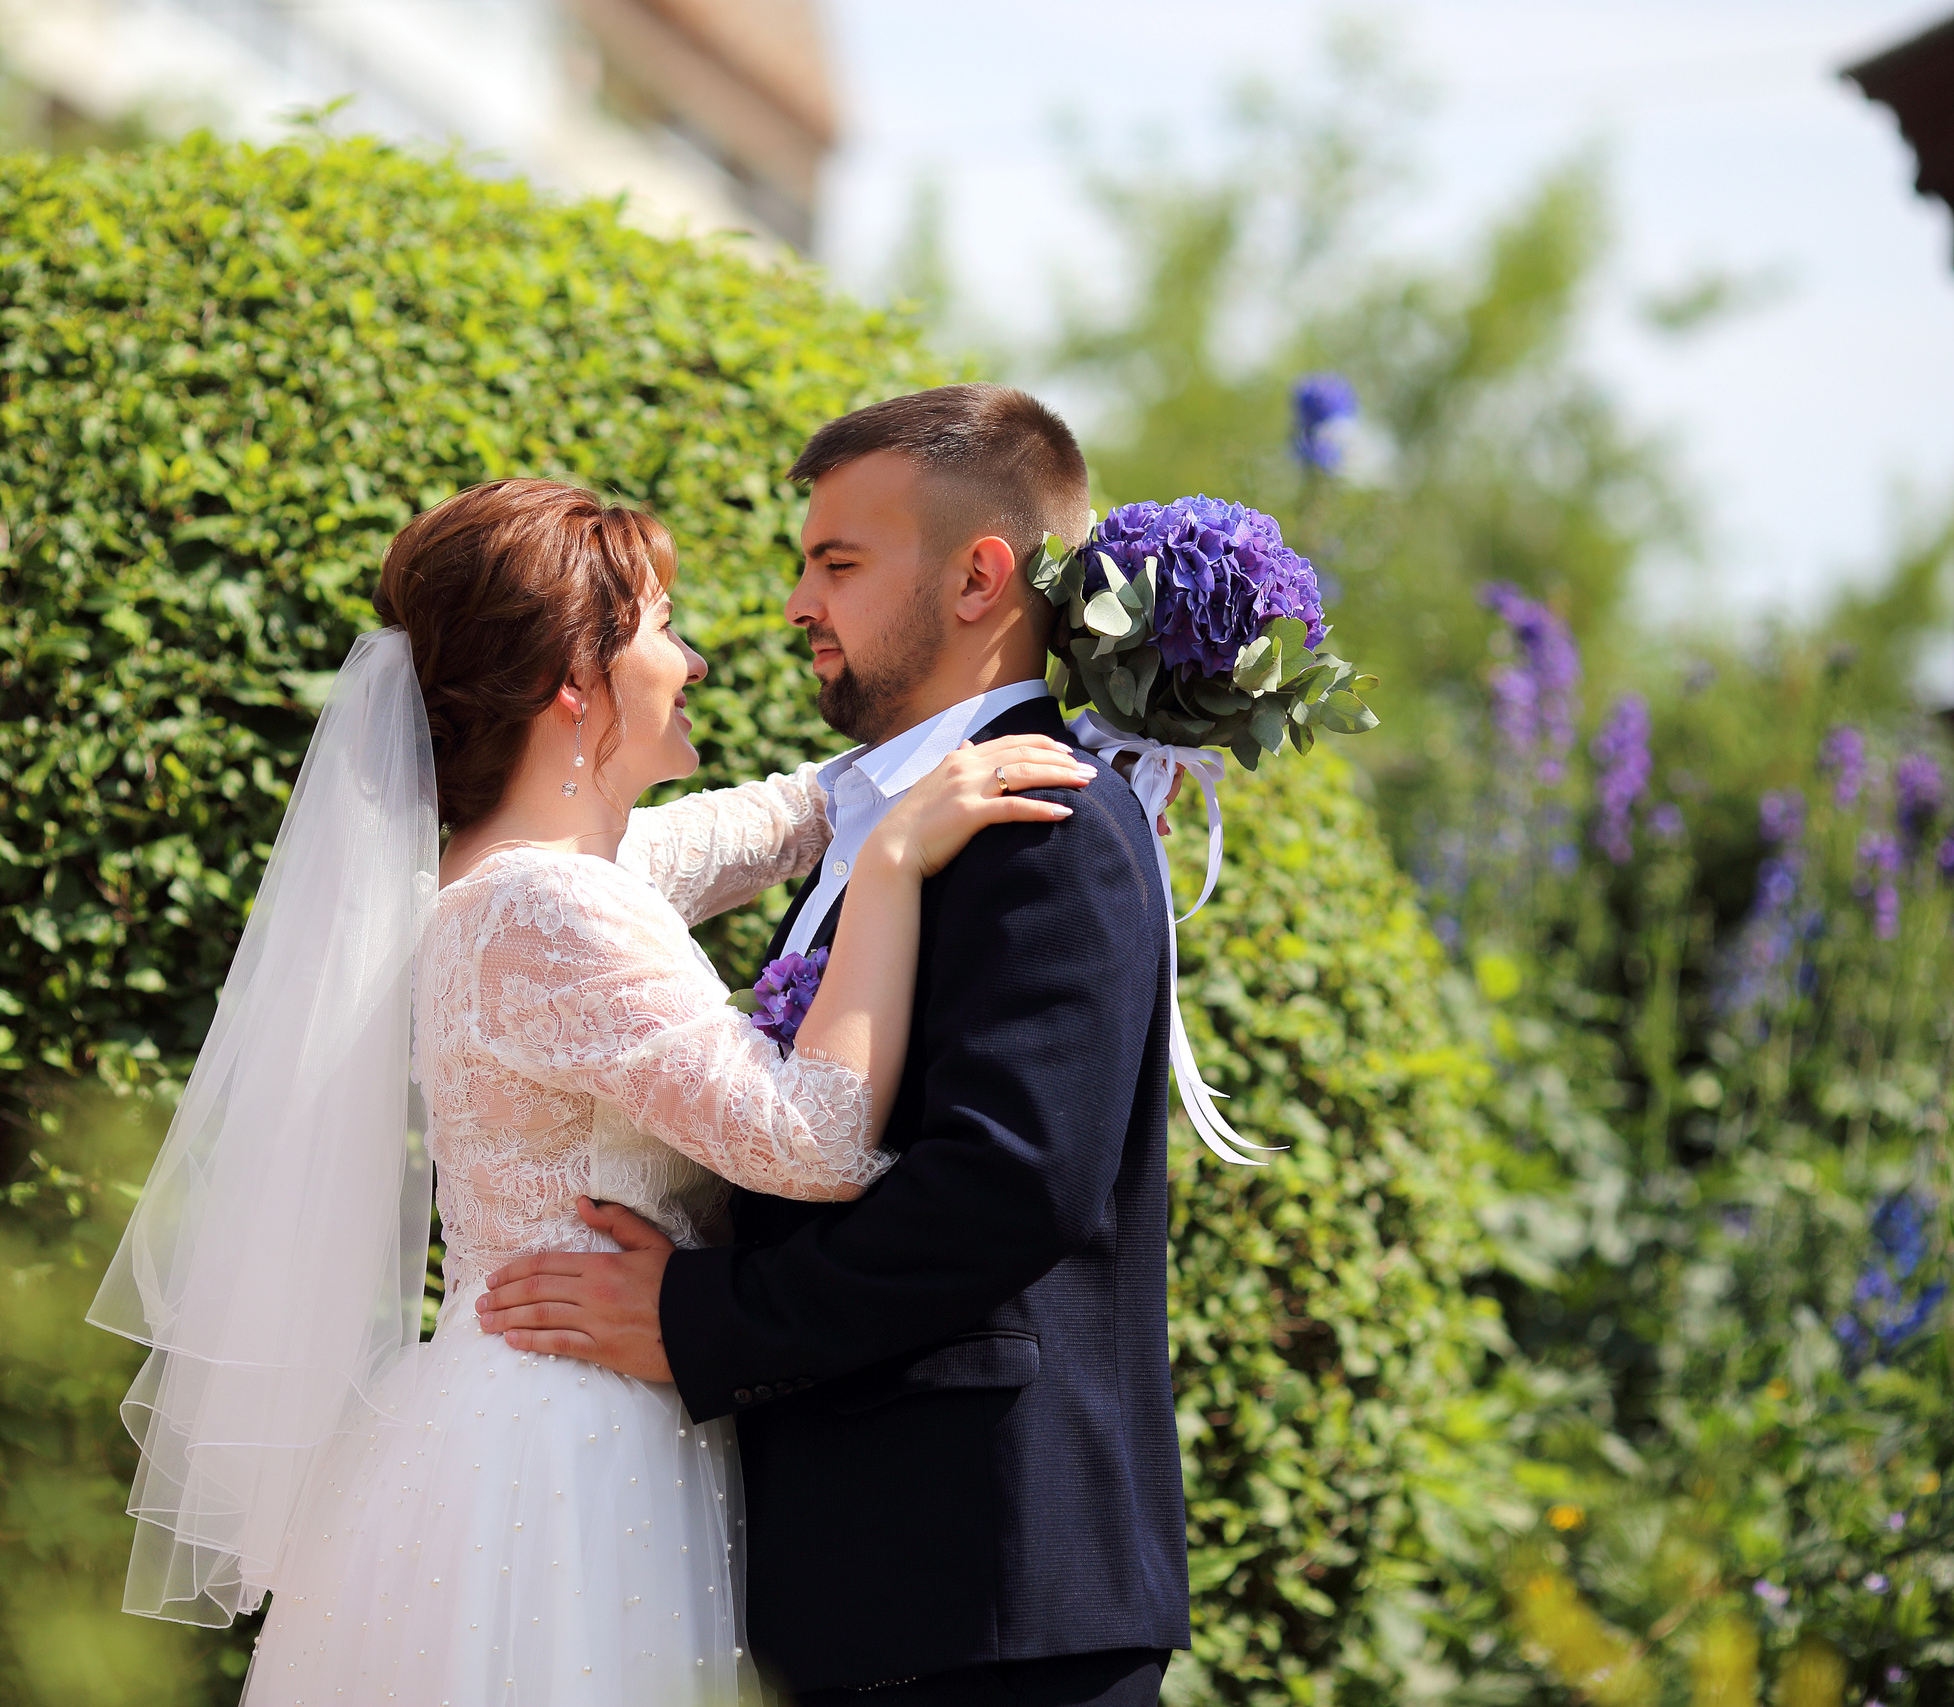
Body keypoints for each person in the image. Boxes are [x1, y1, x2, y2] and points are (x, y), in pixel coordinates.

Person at [90, 476, 1093, 1706]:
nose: (696, 660)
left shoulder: (520, 873)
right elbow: (813, 1139)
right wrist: (890, 862)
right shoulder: (545, 905)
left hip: (544, 1407)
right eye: (663, 626)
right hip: (566, 1442)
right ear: (577, 679)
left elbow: (776, 819)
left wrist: (1043, 718)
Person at [479, 386, 1193, 1706]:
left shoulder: (1049, 818)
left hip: (991, 1593)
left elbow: (1009, 1182)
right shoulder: (882, 819)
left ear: (981, 576)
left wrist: (707, 1316)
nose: (799, 601)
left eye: (838, 563)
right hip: (880, 1593)